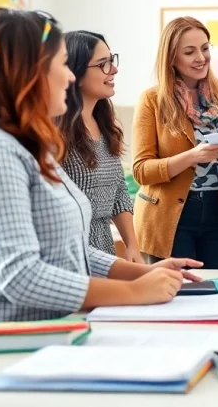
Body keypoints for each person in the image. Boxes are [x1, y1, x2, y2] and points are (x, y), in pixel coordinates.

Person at [0, 9, 199, 373]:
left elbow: (64, 247)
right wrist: (134, 294)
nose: (69, 77)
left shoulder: (27, 144)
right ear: (27, 71)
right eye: (63, 64)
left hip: (36, 341)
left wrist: (142, 274)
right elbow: (22, 276)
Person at [133, 16, 218, 268]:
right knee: (178, 296)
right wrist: (192, 156)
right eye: (189, 52)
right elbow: (141, 170)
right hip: (171, 217)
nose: (201, 58)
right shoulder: (152, 99)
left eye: (205, 48)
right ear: (171, 57)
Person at [57, 31, 142, 263]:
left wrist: (132, 246)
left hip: (104, 248)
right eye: (103, 64)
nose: (114, 70)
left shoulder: (103, 121)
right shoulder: (55, 132)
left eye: (111, 61)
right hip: (71, 252)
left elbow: (118, 193)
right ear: (76, 73)